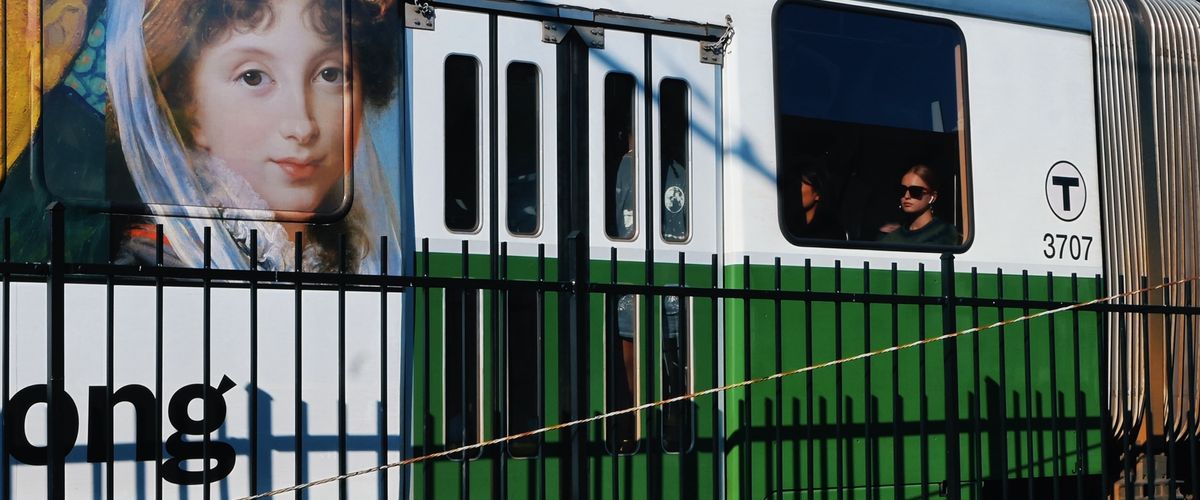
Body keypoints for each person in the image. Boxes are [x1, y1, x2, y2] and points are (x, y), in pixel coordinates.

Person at [107, 0, 402, 273]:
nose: (302, 127)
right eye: (253, 77)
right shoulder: (157, 263)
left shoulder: (350, 255)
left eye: (330, 74)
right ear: (189, 104)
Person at [878, 164, 959, 245]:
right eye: (902, 190)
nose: (906, 196)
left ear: (932, 197)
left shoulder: (944, 232)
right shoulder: (891, 237)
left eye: (915, 191)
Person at [790, 158, 845, 240]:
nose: (793, 189)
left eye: (800, 183)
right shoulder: (788, 226)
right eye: (792, 183)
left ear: (817, 194)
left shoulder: (830, 234)